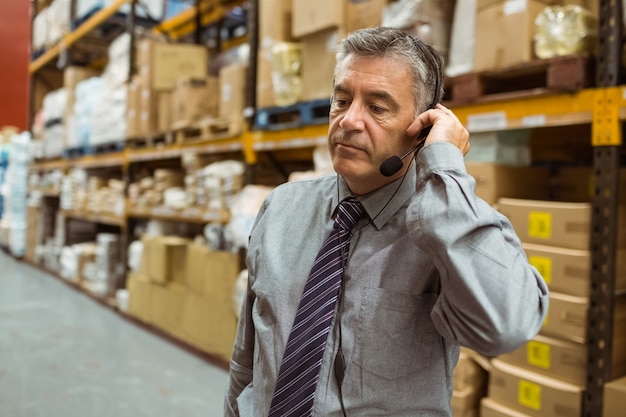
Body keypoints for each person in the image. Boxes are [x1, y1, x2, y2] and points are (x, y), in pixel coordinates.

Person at [224, 26, 549, 416]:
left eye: (377, 107)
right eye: (341, 100)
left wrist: (443, 163)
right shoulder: (281, 209)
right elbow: (248, 359)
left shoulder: (451, 226)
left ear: (421, 128)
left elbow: (507, 326)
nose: (349, 120)